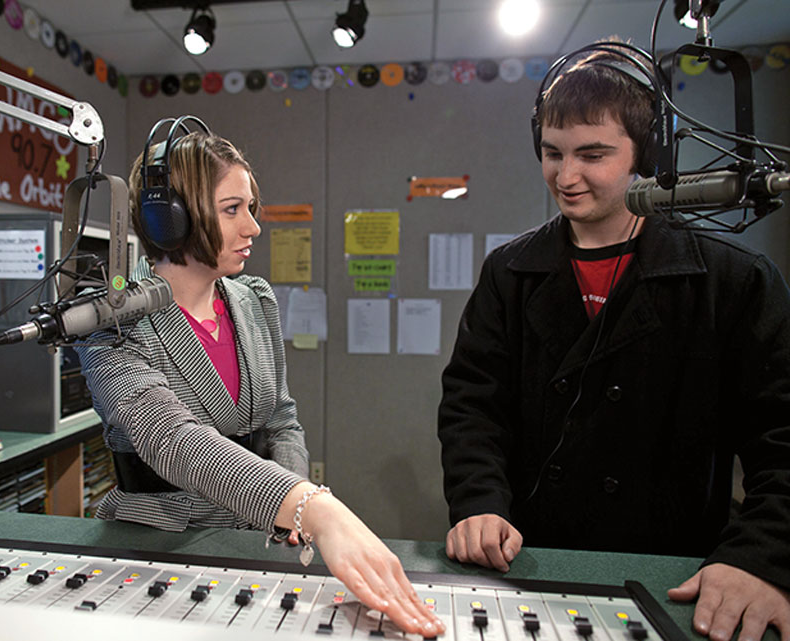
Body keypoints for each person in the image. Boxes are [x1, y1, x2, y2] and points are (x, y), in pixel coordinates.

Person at [438, 45, 790, 641]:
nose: (566, 176)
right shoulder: (510, 271)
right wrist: (479, 502)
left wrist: (762, 557)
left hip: (678, 573)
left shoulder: (735, 281)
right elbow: (473, 407)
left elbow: (783, 438)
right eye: (552, 153)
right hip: (529, 567)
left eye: (592, 155)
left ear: (646, 154)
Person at [76, 129, 444, 638]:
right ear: (172, 218)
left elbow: (280, 420)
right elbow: (171, 438)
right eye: (232, 209)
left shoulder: (254, 299)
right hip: (159, 550)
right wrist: (311, 507)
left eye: (251, 207)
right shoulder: (112, 320)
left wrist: (289, 519)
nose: (253, 227)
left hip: (262, 542)